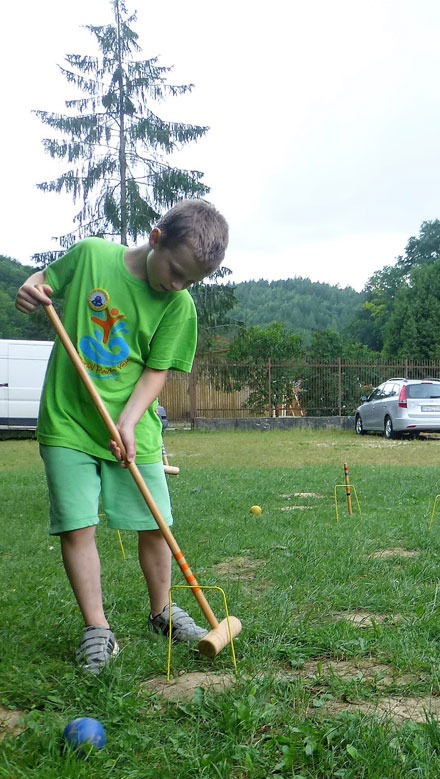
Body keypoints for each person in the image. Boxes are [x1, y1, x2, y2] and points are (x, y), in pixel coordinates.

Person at [15, 199, 229, 674]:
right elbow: (39, 285)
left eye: (189, 281)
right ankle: (98, 629)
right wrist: (29, 291)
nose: (176, 285)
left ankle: (162, 611)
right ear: (156, 238)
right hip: (68, 419)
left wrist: (130, 422)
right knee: (77, 525)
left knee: (155, 525)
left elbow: (157, 372)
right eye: (174, 271)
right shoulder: (92, 255)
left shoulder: (179, 305)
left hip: (135, 424)